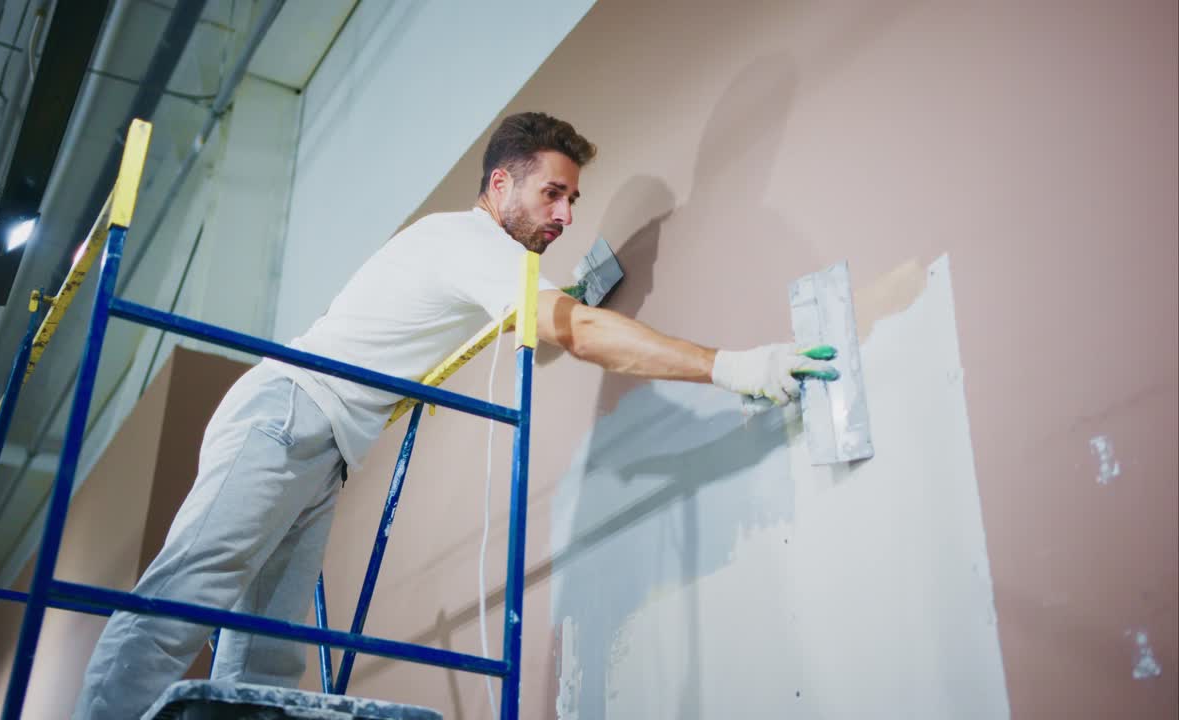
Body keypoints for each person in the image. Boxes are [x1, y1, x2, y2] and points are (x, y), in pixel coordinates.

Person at [74, 112, 834, 718]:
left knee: (266, 655)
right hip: (289, 414)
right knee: (180, 600)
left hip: (325, 447)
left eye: (574, 200)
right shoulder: (467, 243)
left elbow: (559, 320)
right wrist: (732, 366)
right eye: (553, 194)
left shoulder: (483, 261)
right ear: (501, 184)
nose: (566, 214)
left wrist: (569, 302)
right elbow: (573, 331)